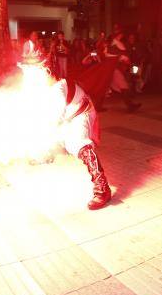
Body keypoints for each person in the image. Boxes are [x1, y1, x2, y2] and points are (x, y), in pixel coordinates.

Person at [21, 55, 112, 209]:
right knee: (50, 130)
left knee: (79, 144)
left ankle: (102, 189)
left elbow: (51, 120)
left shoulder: (58, 89)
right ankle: (46, 154)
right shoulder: (43, 86)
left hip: (81, 114)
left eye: (32, 71)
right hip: (67, 116)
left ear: (45, 71)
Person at [105, 30, 141, 112]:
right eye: (120, 34)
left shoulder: (115, 44)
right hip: (114, 69)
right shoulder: (113, 45)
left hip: (116, 69)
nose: (121, 36)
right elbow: (112, 56)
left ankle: (131, 104)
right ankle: (130, 105)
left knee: (123, 86)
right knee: (123, 86)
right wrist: (122, 58)